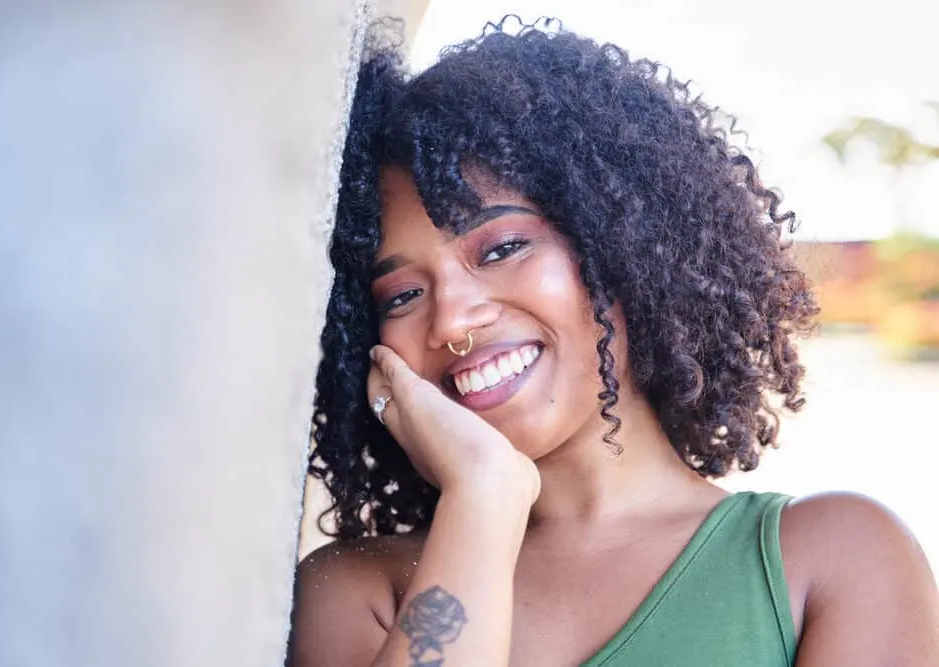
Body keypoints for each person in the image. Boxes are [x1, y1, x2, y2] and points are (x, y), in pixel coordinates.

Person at [288, 16, 939, 667]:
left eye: (504, 247)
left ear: (623, 246)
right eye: (400, 295)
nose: (453, 320)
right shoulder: (356, 594)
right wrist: (484, 499)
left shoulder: (831, 562)